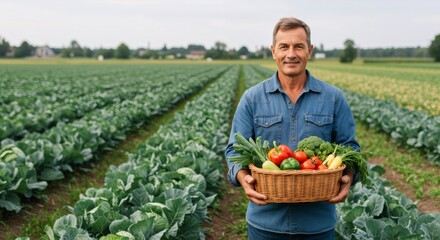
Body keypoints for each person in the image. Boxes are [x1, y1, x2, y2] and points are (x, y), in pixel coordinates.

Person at [225, 17, 360, 239]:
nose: (291, 54)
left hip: (318, 224)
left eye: (298, 46)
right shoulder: (252, 99)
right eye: (284, 46)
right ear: (273, 51)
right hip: (265, 223)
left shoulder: (333, 98)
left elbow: (350, 147)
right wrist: (241, 176)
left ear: (310, 50)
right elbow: (234, 150)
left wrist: (348, 177)